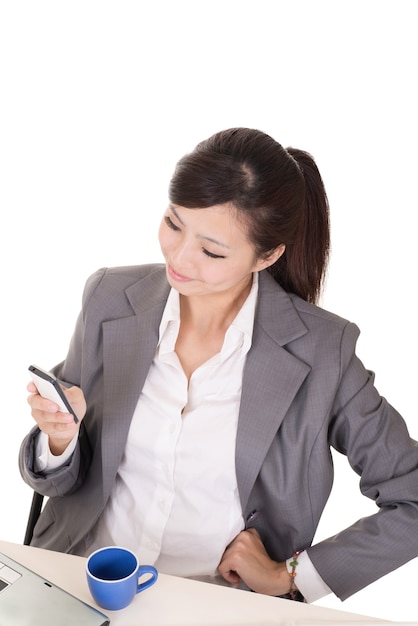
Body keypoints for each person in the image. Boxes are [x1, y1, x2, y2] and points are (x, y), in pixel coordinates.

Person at [20, 127, 418, 604]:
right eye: (173, 222)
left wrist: (293, 576)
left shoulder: (323, 351)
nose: (179, 258)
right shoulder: (109, 298)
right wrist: (61, 440)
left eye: (211, 250)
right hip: (77, 581)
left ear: (267, 255)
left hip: (217, 604)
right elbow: (62, 476)